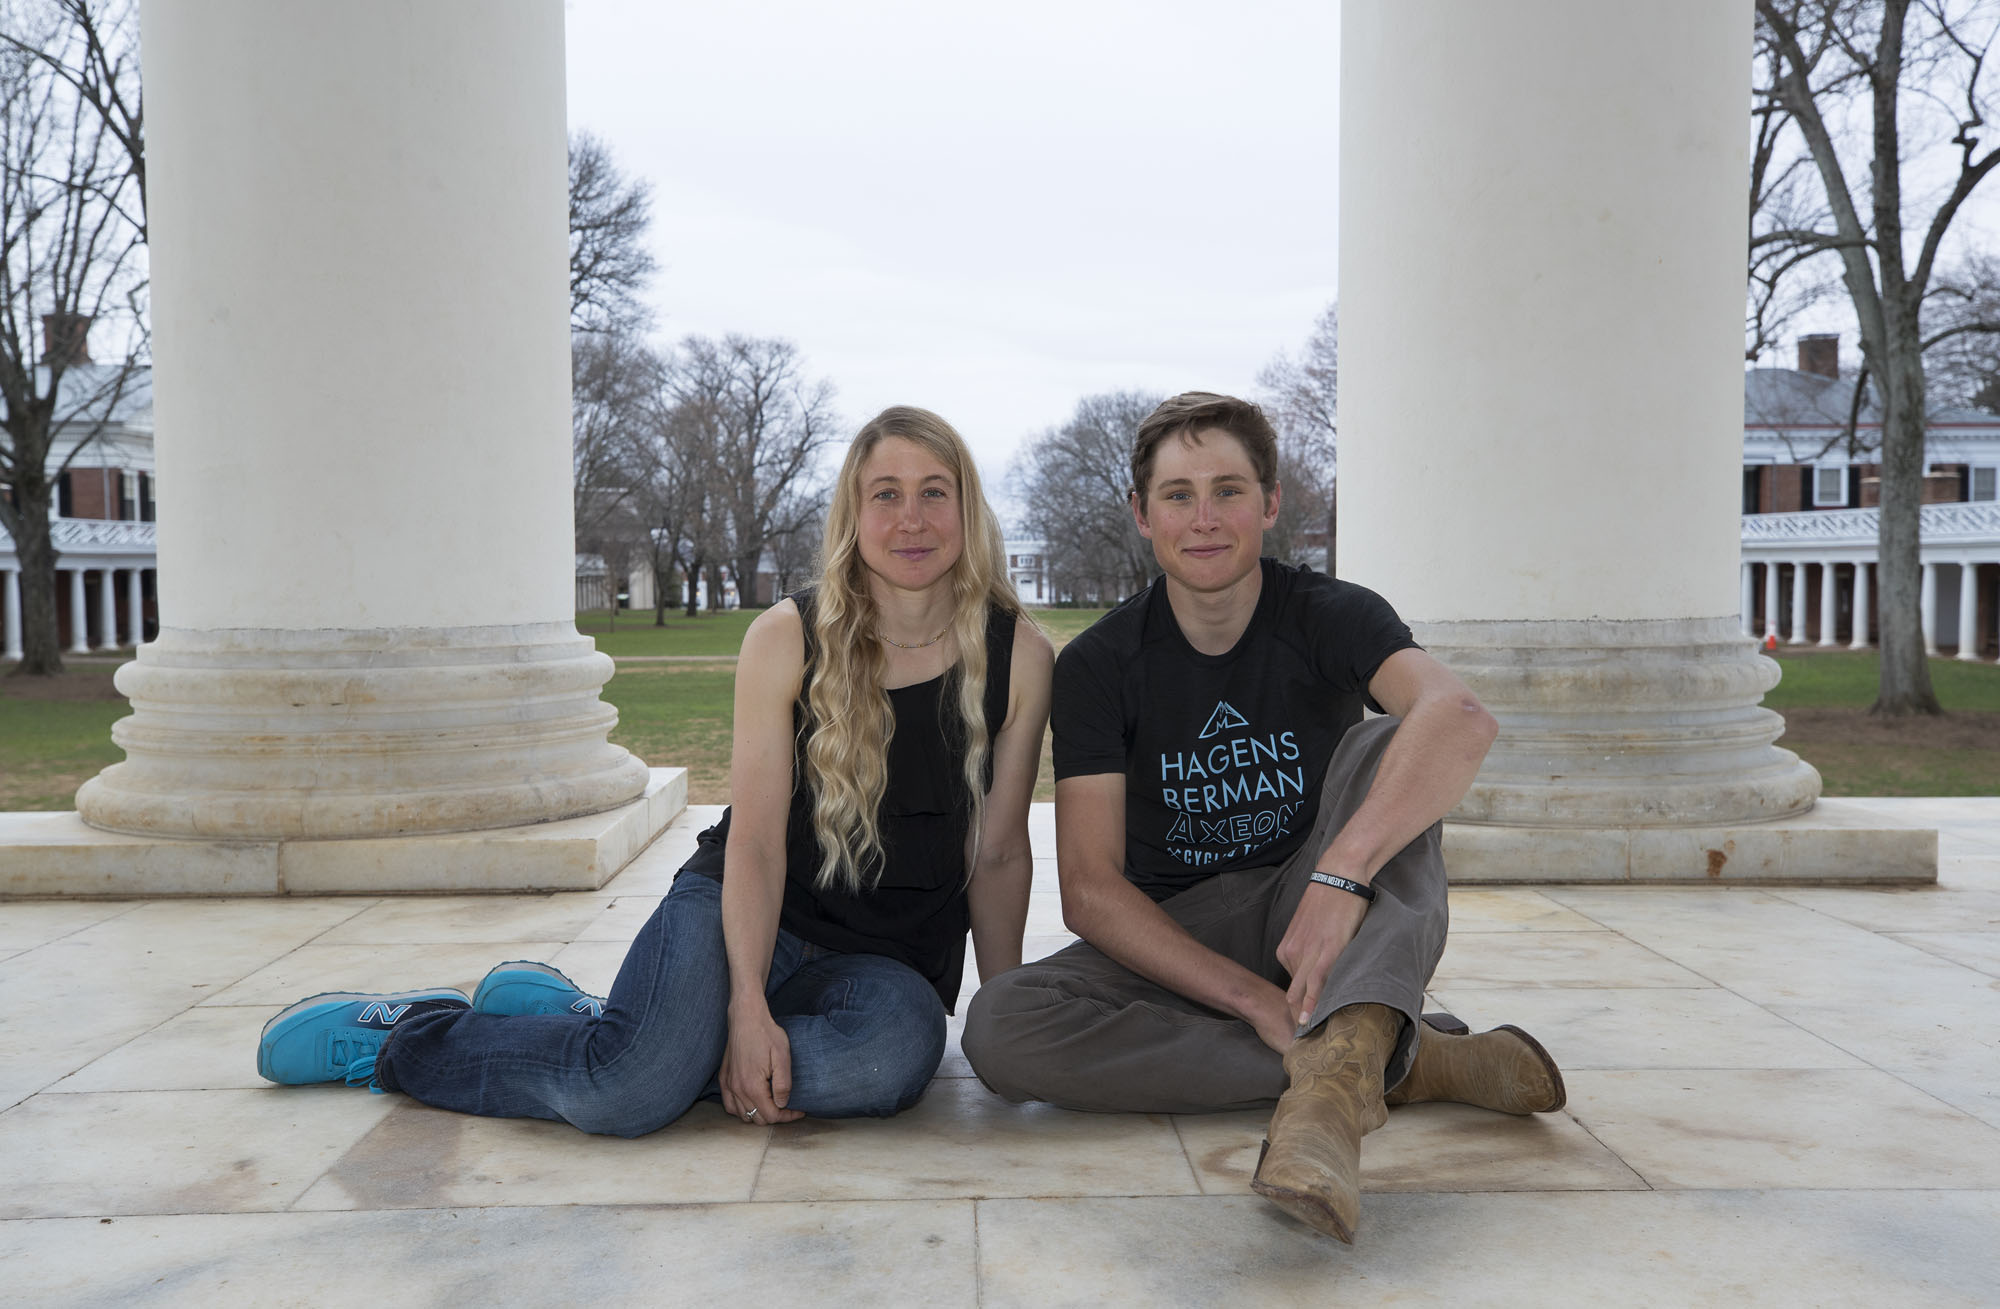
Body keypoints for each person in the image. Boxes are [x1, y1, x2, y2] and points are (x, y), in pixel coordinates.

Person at [258, 406, 1054, 1136]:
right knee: (627, 1091)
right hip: (747, 912)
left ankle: (618, 1025)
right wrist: (744, 1004)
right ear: (854, 514)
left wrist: (1007, 1019)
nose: (911, 518)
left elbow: (1000, 853)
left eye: (934, 492)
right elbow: (757, 846)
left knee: (889, 1063)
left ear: (967, 509)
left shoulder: (1017, 654)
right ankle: (411, 1035)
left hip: (884, 969)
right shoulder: (787, 638)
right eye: (886, 493)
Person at [961, 392, 1563, 1242]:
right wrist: (1250, 999)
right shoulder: (1099, 663)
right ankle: (1389, 1059)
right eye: (1177, 494)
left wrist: (1339, 869)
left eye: (1229, 489)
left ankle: (1326, 1108)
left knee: (1399, 739)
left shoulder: (1332, 614)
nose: (1204, 518)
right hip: (1177, 932)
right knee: (1000, 1026)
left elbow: (1460, 718)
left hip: (1308, 909)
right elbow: (1091, 890)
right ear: (1141, 514)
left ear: (1271, 502)